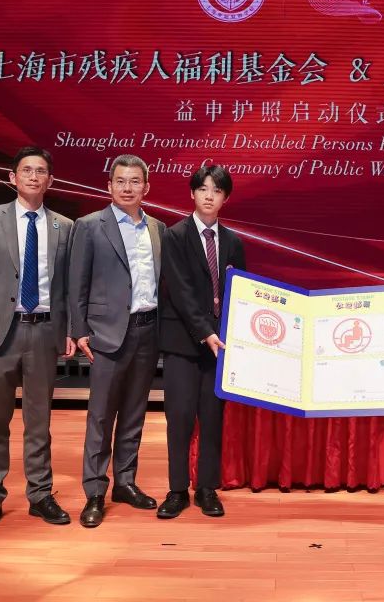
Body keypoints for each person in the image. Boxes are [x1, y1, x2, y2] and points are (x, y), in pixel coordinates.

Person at [0, 147, 75, 531]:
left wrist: (70, 329)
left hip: (44, 331)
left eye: (40, 171)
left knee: (39, 421)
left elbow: (68, 286)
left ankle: (40, 494)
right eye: (26, 170)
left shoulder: (64, 226)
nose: (33, 176)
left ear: (50, 180)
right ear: (13, 177)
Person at [71, 154, 167, 528]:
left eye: (135, 181)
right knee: (101, 416)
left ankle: (125, 482)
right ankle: (95, 491)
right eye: (121, 181)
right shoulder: (90, 226)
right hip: (106, 333)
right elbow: (76, 283)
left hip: (148, 330)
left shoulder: (158, 228)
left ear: (147, 187)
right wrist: (79, 329)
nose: (128, 188)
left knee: (133, 413)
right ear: (109, 186)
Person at [156, 165, 246, 519]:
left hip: (219, 346)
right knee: (179, 418)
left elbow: (241, 294)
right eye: (203, 189)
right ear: (192, 193)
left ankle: (207, 488)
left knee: (212, 418)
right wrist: (205, 331)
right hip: (183, 341)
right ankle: (177, 489)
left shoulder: (234, 242)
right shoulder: (175, 236)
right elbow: (179, 292)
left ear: (226, 198)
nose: (209, 196)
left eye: (217, 190)